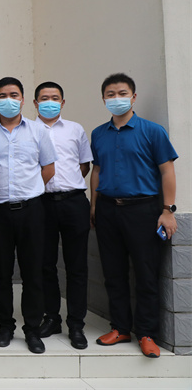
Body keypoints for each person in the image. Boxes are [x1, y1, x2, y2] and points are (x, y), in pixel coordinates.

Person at [90, 73, 178, 358]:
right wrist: (94, 206)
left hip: (143, 210)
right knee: (113, 272)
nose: (116, 98)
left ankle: (147, 333)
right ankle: (120, 328)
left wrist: (168, 210)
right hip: (107, 209)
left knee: (146, 273)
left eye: (122, 93)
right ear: (103, 99)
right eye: (111, 94)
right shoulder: (98, 134)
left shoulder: (153, 131)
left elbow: (167, 171)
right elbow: (97, 171)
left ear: (133, 97)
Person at [0, 76, 56, 354]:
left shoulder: (38, 131)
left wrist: (30, 189)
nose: (8, 100)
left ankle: (32, 329)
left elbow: (48, 169)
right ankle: (5, 326)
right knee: (1, 272)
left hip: (32, 210)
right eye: (3, 95)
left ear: (23, 100)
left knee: (32, 272)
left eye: (13, 95)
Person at [33, 82, 92, 350]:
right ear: (35, 103)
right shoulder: (28, 129)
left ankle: (76, 324)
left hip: (74, 202)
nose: (50, 102)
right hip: (41, 203)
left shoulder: (75, 129)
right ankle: (52, 318)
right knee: (45, 264)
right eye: (44, 98)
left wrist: (66, 185)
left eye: (55, 98)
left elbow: (84, 165)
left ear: (63, 102)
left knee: (77, 266)